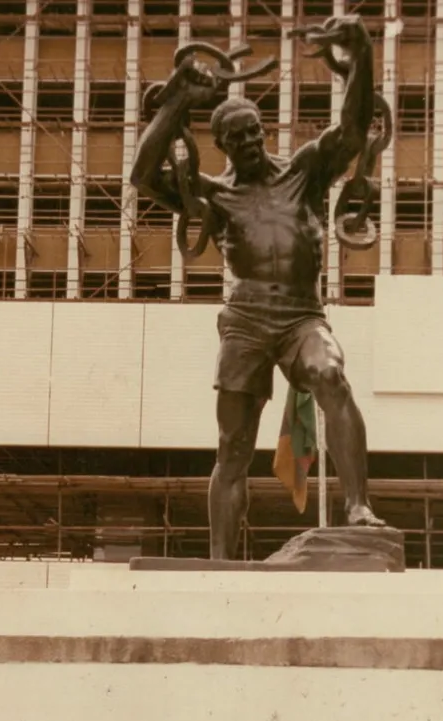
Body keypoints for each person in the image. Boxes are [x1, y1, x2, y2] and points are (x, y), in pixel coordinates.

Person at [131, 14, 386, 560]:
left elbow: (353, 128)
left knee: (331, 375)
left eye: (254, 131)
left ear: (263, 130)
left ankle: (358, 505)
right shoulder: (214, 197)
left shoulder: (305, 171)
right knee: (233, 447)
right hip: (245, 320)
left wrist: (361, 54)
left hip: (301, 316)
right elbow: (143, 176)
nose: (248, 141)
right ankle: (223, 559)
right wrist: (177, 103)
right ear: (221, 143)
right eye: (235, 136)